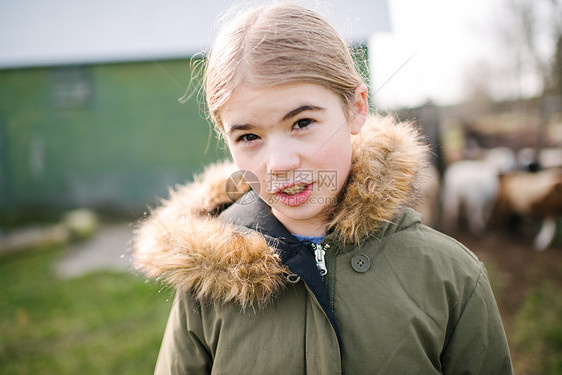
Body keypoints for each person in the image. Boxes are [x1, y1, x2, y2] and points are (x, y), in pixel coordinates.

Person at [133, 2, 514, 374]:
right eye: (249, 136)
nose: (279, 163)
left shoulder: (451, 277)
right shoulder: (205, 290)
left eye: (301, 123)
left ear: (356, 108)